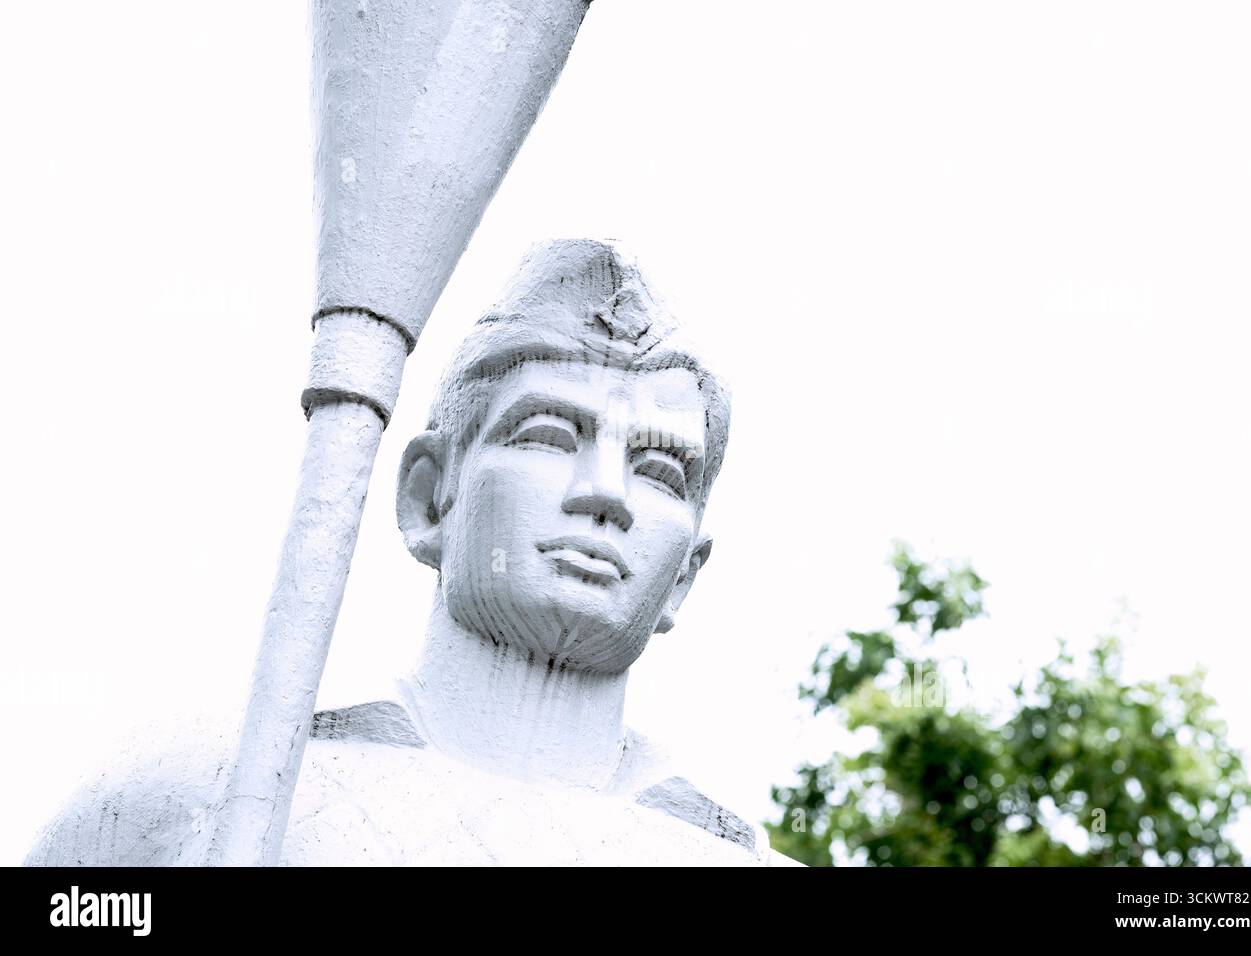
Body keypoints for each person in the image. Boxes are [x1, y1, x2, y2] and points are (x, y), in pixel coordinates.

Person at [26, 239, 793, 866]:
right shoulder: (198, 789)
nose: (606, 494)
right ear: (429, 497)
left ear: (686, 575)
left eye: (659, 471)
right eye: (551, 436)